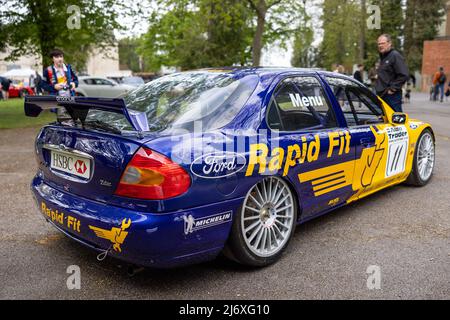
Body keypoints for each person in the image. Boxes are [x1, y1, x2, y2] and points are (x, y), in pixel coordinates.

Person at [375, 34, 409, 112]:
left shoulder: (395, 56)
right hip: (382, 95)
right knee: (384, 121)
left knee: (396, 120)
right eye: (379, 44)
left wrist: (393, 89)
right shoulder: (383, 57)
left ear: (389, 43)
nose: (380, 45)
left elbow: (404, 74)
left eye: (383, 43)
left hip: (391, 97)